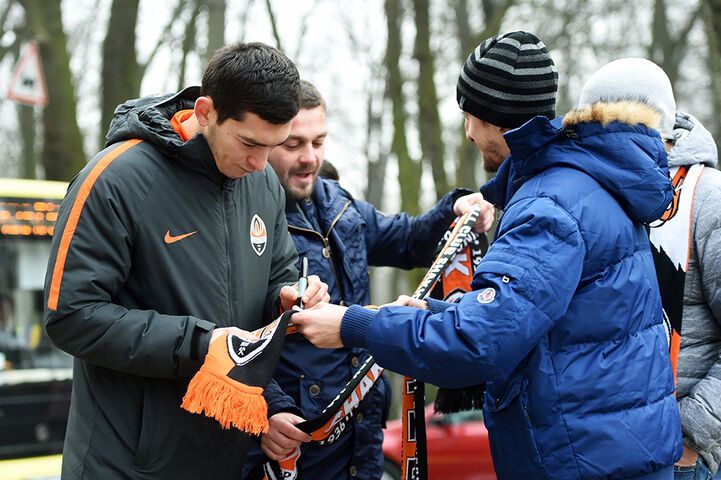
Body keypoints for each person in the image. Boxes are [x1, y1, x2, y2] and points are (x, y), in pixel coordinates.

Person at [294, 34, 684, 479]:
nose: (467, 132)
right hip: (606, 452)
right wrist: (437, 311)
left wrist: (352, 325)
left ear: (495, 120)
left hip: (583, 461)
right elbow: (534, 317)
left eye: (469, 117)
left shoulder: (549, 206)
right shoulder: (579, 187)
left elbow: (481, 343)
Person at [42, 43, 329, 479]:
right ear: (206, 111)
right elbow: (70, 316)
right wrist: (199, 344)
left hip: (226, 459)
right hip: (125, 464)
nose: (259, 162)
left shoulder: (263, 182)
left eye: (272, 146)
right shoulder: (113, 180)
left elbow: (277, 277)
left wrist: (288, 298)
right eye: (249, 143)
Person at [243, 80, 492, 480]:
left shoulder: (340, 204)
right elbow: (227, 333)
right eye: (294, 145)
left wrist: (455, 208)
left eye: (319, 142)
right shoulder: (244, 218)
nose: (310, 158)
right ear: (267, 140)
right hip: (291, 442)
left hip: (363, 434)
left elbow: (408, 240)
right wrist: (263, 412)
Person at [657, 111, 721, 478]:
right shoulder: (607, 198)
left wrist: (689, 435)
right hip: (615, 452)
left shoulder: (708, 196)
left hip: (685, 458)